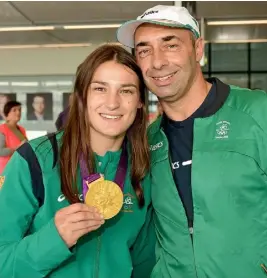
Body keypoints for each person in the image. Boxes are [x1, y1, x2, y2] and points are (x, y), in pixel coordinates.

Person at [117, 5, 267, 278]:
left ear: (197, 49)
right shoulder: (146, 142)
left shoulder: (263, 114)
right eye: (144, 50)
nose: (157, 62)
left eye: (170, 45)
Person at [0, 44, 155, 278]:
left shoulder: (144, 169)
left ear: (140, 102)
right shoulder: (35, 161)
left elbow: (145, 261)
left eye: (126, 91)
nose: (112, 103)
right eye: (100, 89)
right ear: (82, 95)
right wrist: (54, 239)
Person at [0, 100, 27, 174]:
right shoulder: (2, 129)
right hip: (4, 171)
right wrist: (17, 148)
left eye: (19, 110)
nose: (18, 112)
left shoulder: (21, 130)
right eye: (14, 110)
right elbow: (1, 151)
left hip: (18, 169)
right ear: (7, 113)